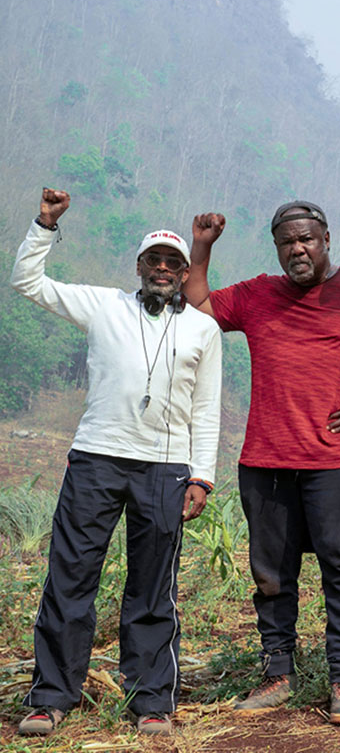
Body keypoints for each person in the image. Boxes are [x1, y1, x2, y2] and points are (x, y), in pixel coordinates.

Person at [181, 201, 340, 726]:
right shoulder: (259, 293)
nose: (297, 250)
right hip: (265, 459)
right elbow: (198, 306)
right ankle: (277, 674)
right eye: (287, 242)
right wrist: (203, 246)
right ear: (277, 246)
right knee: (272, 575)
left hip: (337, 461)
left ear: (327, 238)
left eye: (306, 239)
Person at [12, 189, 222, 737]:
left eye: (172, 262)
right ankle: (52, 696)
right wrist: (45, 225)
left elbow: (206, 409)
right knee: (70, 577)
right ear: (138, 266)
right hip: (96, 459)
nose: (162, 268)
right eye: (153, 259)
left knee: (153, 587)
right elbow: (27, 283)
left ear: (181, 273)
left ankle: (151, 701)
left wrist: (202, 475)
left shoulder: (203, 329)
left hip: (166, 468)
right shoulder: (105, 305)